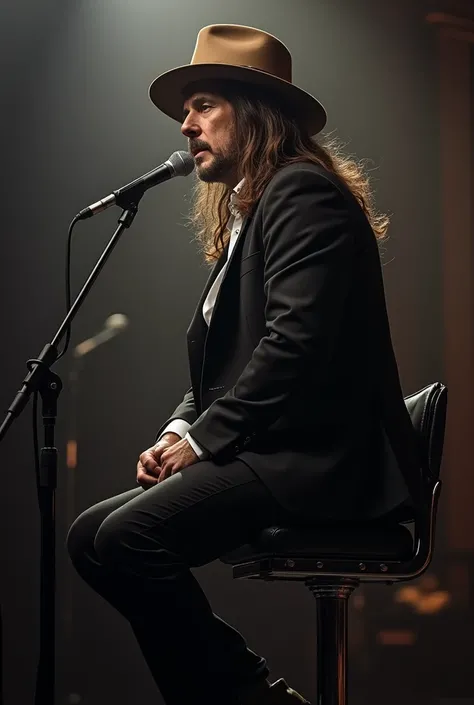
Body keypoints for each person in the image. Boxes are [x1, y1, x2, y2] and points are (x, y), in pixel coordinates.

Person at [67, 24, 421, 705]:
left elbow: (294, 346)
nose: (186, 125)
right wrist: (178, 429)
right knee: (91, 539)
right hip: (275, 450)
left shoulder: (302, 193)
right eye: (186, 111)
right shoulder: (249, 216)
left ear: (255, 112)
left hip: (321, 459)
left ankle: (250, 695)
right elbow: (224, 368)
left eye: (203, 105)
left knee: (129, 537)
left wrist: (203, 440)